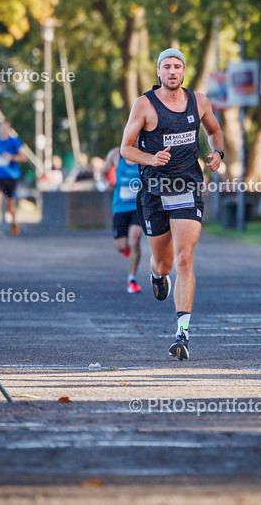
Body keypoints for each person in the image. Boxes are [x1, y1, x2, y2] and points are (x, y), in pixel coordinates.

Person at [120, 48, 224, 360]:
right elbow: (126, 148)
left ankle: (182, 334)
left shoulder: (199, 101)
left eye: (177, 66)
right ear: (158, 72)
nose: (172, 71)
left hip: (187, 187)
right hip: (154, 190)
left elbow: (215, 131)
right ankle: (155, 274)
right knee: (164, 263)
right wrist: (151, 158)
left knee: (184, 258)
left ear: (184, 71)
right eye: (167, 67)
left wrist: (217, 153)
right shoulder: (144, 105)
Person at [104, 146, 144, 294]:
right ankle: (126, 249)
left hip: (138, 206)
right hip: (120, 206)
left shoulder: (144, 153)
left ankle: (132, 279)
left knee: (134, 240)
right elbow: (103, 172)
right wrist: (105, 183)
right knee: (121, 246)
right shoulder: (115, 154)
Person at [0, 119, 26, 243]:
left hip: (11, 177)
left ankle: (14, 220)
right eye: (1, 127)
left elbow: (24, 157)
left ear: (9, 129)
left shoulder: (14, 141)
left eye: (5, 128)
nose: (3, 130)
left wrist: (12, 157)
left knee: (10, 207)